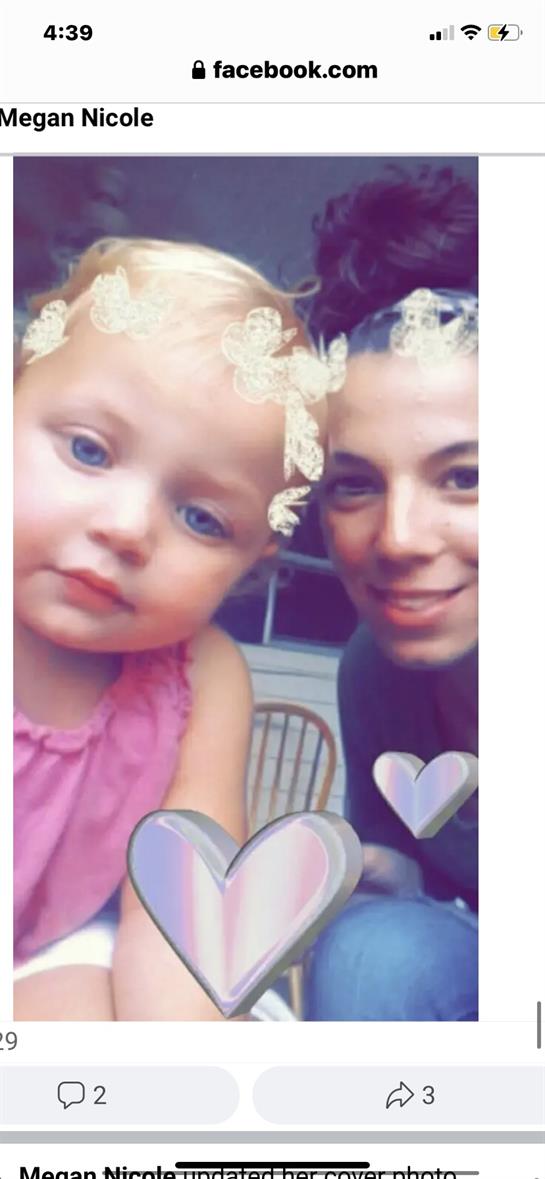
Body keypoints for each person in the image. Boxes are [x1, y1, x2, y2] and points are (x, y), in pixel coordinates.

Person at [13, 236, 346, 1021]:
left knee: (103, 1017)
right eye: (89, 450)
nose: (128, 527)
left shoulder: (199, 677)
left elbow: (180, 924)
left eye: (202, 518)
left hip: (44, 951)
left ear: (251, 564)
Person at [303, 169, 479, 1020]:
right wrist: (358, 867)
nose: (399, 538)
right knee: (370, 952)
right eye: (355, 484)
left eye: (466, 476)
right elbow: (413, 877)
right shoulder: (375, 669)